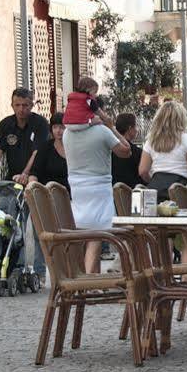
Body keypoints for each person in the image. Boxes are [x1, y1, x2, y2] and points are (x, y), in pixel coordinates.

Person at [63, 105, 132, 274]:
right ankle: (89, 279)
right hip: (99, 187)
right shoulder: (102, 131)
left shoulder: (67, 133)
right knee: (96, 235)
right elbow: (126, 151)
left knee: (85, 233)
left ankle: (89, 276)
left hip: (77, 188)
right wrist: (111, 126)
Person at [0, 88, 49, 186]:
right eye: (17, 105)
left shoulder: (41, 123)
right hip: (13, 178)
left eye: (25, 105)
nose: (21, 109)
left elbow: (36, 153)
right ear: (12, 106)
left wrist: (25, 174)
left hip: (36, 178)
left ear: (31, 106)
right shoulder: (5, 124)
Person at [140, 101, 187, 201]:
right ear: (181, 119)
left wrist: (155, 181)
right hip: (180, 191)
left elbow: (143, 171)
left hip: (156, 190)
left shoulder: (150, 141)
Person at [30, 113, 69, 190]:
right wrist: (32, 189)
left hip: (71, 194)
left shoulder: (75, 147)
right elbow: (34, 173)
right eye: (55, 127)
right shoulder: (45, 147)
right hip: (48, 193)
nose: (58, 131)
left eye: (62, 127)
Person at [111, 113, 144, 188]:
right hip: (133, 194)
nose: (137, 130)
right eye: (136, 126)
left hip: (113, 193)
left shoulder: (110, 149)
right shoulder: (137, 152)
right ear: (130, 128)